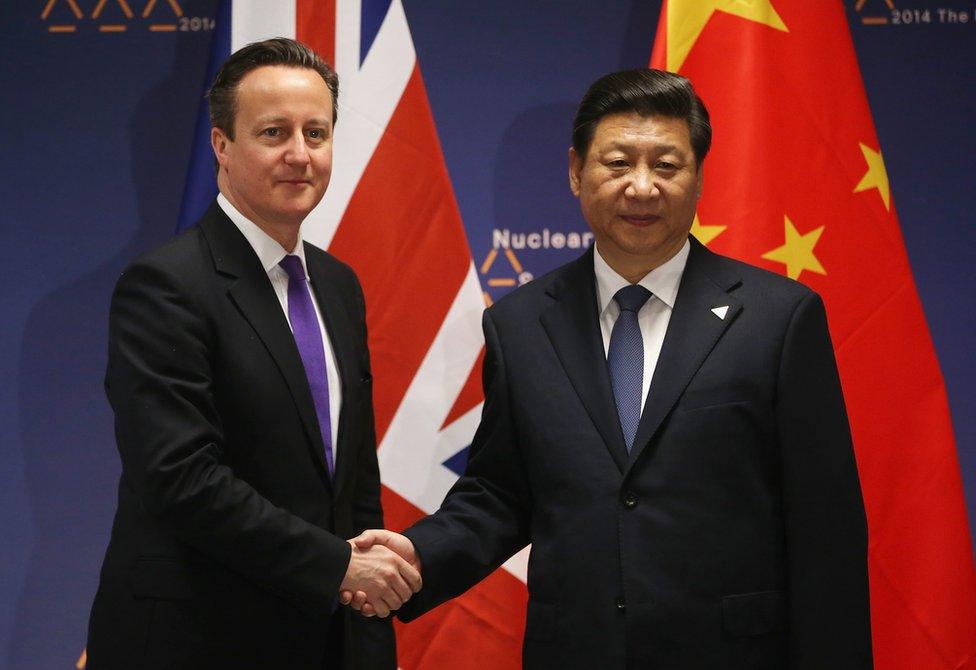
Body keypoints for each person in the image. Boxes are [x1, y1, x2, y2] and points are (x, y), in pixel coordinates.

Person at [347, 69, 873, 668]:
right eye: (618, 163)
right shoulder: (520, 325)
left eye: (667, 166)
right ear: (576, 172)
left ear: (699, 177)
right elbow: (501, 492)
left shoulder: (778, 319)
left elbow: (824, 530)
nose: (641, 188)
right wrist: (417, 557)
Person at [85, 38, 419, 670]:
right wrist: (339, 566)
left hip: (332, 635)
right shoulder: (167, 284)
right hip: (201, 636)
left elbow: (349, 478)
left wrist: (366, 600)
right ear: (222, 146)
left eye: (316, 133)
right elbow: (181, 479)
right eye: (274, 132)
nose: (300, 155)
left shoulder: (339, 284)